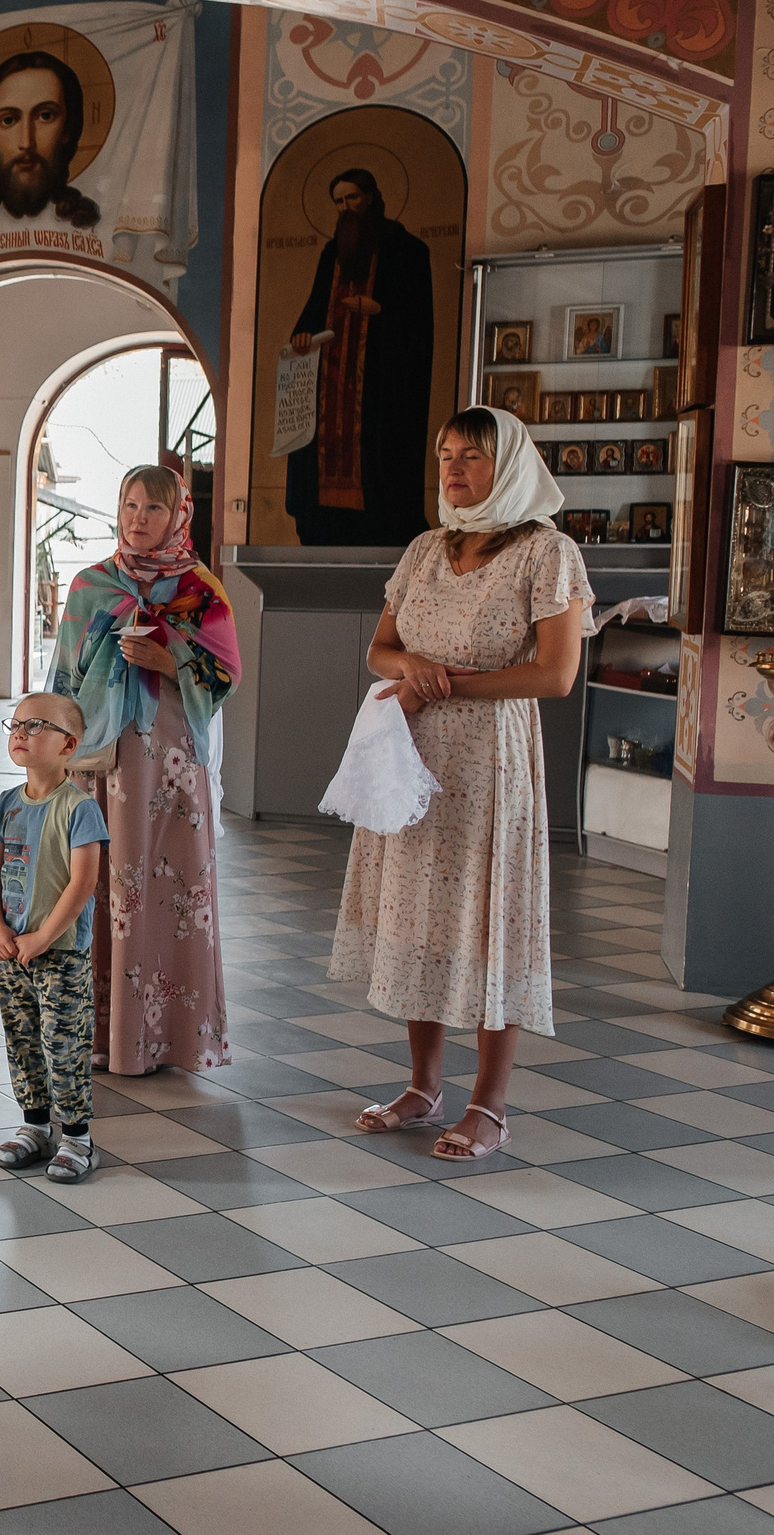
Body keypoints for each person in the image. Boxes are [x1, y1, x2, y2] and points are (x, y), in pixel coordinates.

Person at [335, 405, 588, 1162]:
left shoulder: (549, 553)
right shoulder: (423, 549)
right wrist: (411, 671)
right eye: (445, 453)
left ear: (507, 464)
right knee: (421, 915)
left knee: (487, 919)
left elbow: (556, 672)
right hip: (411, 754)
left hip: (491, 764)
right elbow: (382, 649)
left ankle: (489, 1104)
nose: (453, 468)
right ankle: (422, 1086)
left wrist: (446, 686)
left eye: (472, 455)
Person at [47, 465, 241, 1076]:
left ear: (178, 515)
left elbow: (227, 675)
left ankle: (163, 1038)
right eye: (128, 504)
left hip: (170, 763)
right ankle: (98, 1032)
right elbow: (61, 679)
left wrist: (168, 657)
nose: (137, 519)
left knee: (164, 890)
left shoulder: (201, 590)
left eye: (152, 509)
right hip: (97, 765)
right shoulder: (90, 585)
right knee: (94, 883)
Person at [0, 693, 110, 1184]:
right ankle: (35, 1128)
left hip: (61, 957)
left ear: (68, 745)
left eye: (35, 725)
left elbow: (82, 885)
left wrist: (42, 938)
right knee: (22, 1042)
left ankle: (78, 1138)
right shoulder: (7, 804)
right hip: (12, 952)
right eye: (15, 724)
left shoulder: (79, 810)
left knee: (64, 1043)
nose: (20, 733)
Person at [284, 167, 435, 546]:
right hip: (330, 383)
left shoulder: (407, 249)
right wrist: (302, 335)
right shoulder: (333, 253)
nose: (346, 207)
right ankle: (323, 520)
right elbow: (316, 306)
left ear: (370, 197)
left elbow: (419, 322)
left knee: (378, 453)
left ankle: (383, 524)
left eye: (352, 198)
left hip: (379, 383)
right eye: (339, 201)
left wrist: (379, 311)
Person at [0, 49, 101, 235]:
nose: (27, 142)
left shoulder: (88, 226)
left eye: (45, 116)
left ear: (67, 130)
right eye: (8, 120)